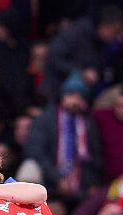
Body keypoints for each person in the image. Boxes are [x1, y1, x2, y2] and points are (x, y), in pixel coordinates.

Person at [27, 73, 102, 203]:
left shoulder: (88, 124)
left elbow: (95, 158)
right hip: (48, 182)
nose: (76, 101)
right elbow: (35, 152)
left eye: (80, 97)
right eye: (72, 95)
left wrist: (91, 183)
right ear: (63, 96)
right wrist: (57, 179)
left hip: (79, 186)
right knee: (29, 168)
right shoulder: (46, 119)